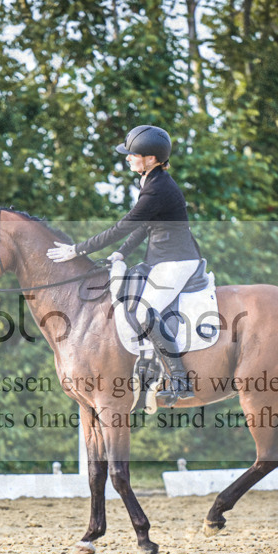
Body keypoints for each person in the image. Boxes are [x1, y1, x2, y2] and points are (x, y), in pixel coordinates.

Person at [46, 124, 200, 405]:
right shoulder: (151, 182)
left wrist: (78, 249)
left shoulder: (158, 188)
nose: (127, 158)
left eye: (133, 154)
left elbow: (124, 225)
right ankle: (146, 367)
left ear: (151, 159)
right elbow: (145, 226)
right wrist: (121, 253)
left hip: (177, 261)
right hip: (160, 259)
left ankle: (180, 379)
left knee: (145, 312)